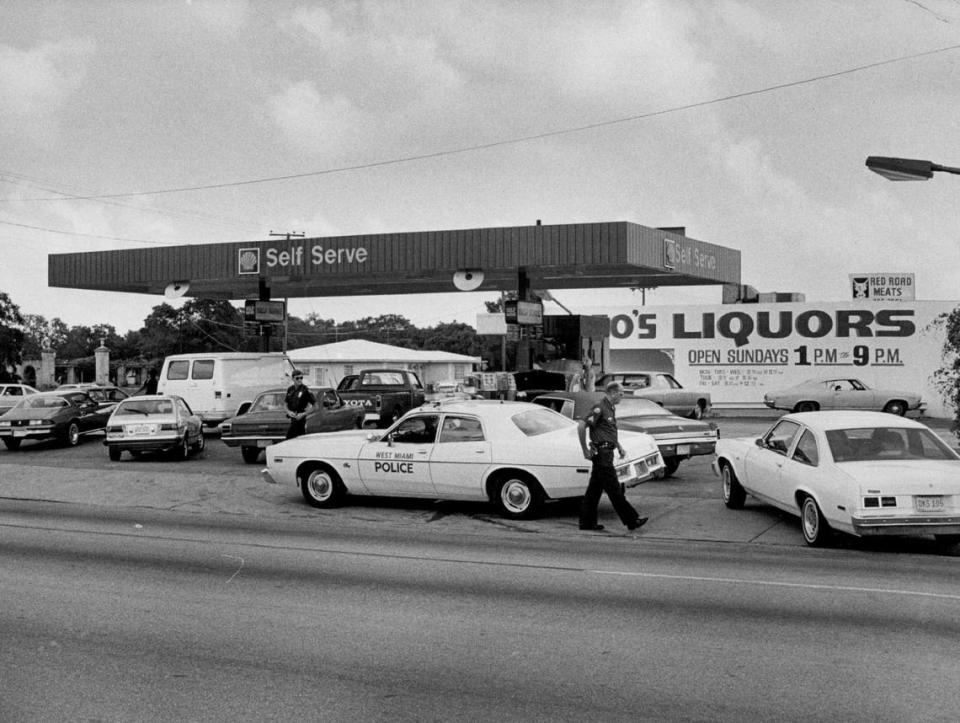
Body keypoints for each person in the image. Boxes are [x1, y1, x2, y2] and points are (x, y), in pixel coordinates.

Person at [577, 381, 648, 532]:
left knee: (594, 491)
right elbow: (581, 425)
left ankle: (587, 523)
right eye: (621, 394)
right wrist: (584, 450)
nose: (622, 396)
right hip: (602, 454)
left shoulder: (610, 408)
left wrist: (619, 447)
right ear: (613, 393)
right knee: (615, 489)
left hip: (607, 452)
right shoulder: (599, 407)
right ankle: (632, 520)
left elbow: (608, 432)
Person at [285, 370, 316, 439]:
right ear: (292, 379)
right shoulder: (290, 389)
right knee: (293, 439)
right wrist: (289, 412)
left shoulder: (305, 390)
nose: (299, 380)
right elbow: (285, 404)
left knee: (291, 438)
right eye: (297, 378)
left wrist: (303, 414)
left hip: (301, 419)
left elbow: (315, 406)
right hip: (293, 417)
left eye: (301, 378)